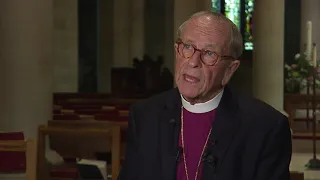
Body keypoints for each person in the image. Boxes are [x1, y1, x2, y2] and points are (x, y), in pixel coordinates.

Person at [118, 11, 292, 180]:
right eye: (187, 47)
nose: (193, 62)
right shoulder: (144, 116)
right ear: (177, 51)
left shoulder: (266, 127)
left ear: (229, 70)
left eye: (209, 53)